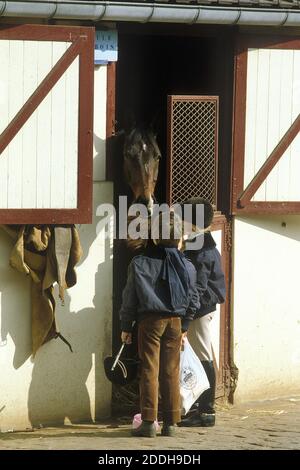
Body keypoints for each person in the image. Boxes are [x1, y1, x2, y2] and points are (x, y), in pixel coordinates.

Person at [120, 211, 199, 437]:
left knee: (149, 370)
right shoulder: (188, 266)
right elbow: (193, 299)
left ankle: (148, 422)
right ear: (179, 239)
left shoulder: (139, 263)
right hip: (175, 322)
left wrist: (126, 326)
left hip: (149, 321)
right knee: (170, 371)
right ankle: (171, 423)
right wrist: (185, 325)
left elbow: (129, 298)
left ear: (154, 238)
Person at [179, 198, 226, 427]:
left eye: (184, 218)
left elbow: (197, 288)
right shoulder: (200, 243)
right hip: (201, 308)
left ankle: (207, 411)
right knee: (201, 355)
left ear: (193, 222)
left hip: (200, 309)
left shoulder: (203, 250)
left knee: (204, 356)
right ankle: (199, 406)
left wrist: (186, 319)